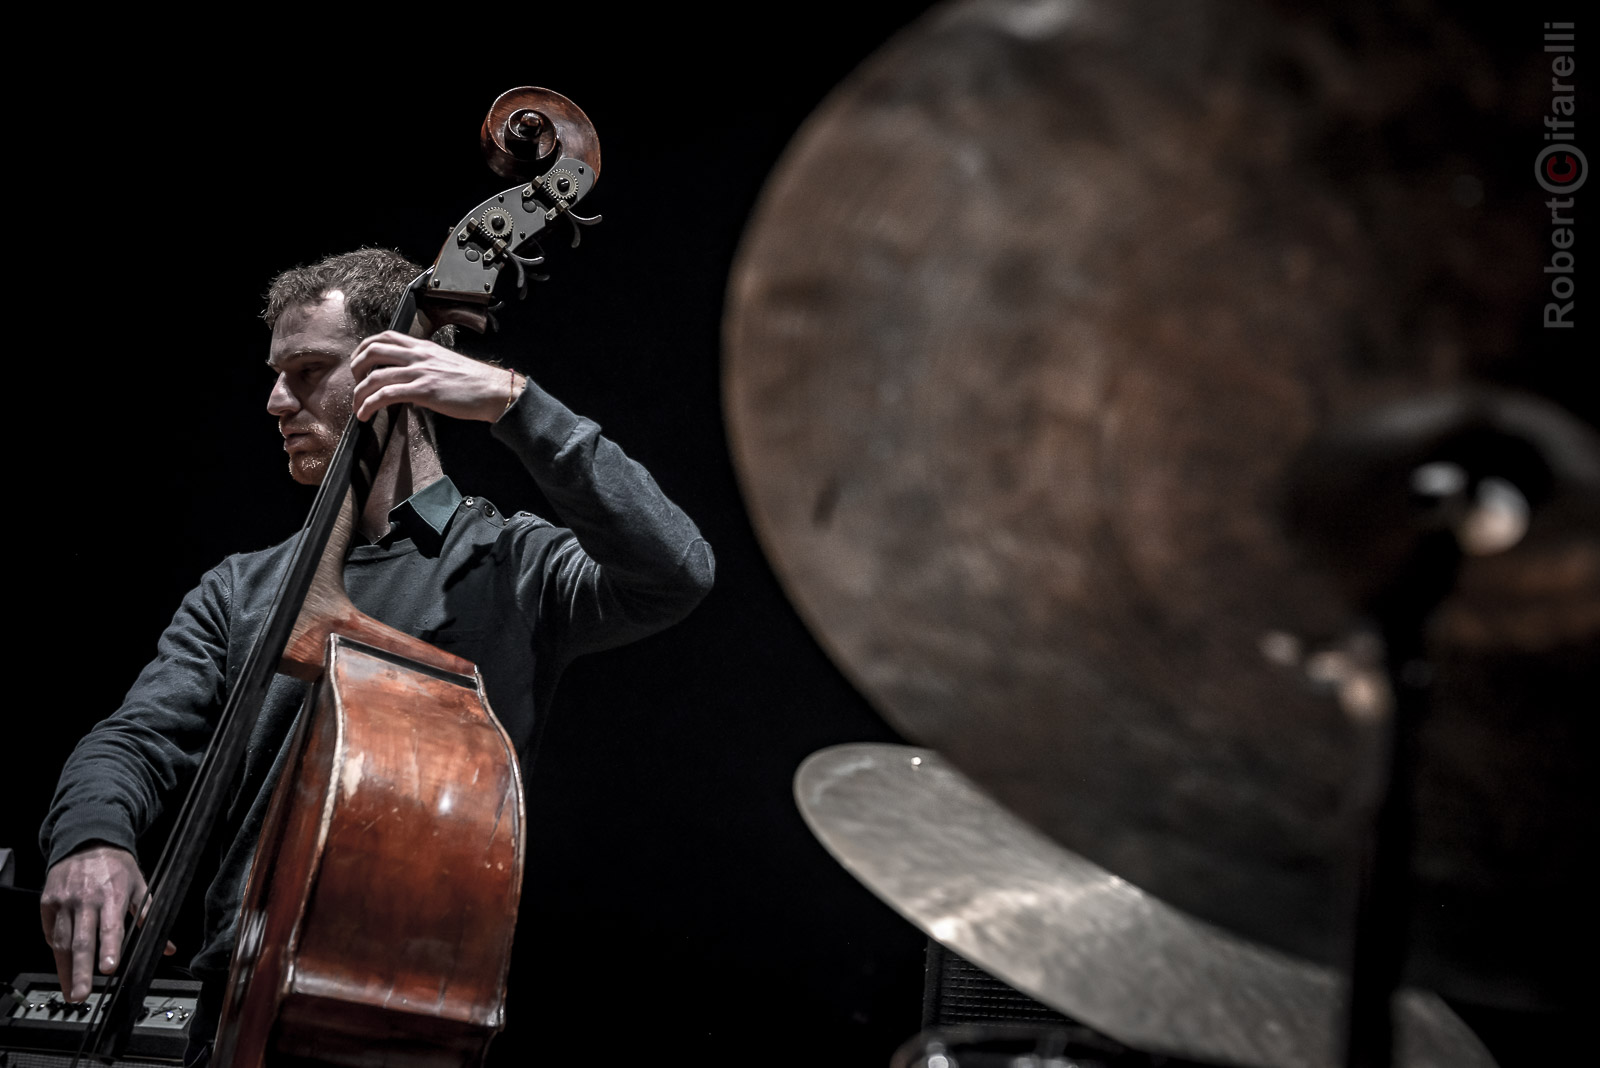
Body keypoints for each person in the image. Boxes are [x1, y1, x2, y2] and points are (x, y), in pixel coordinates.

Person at [36, 248, 715, 1049]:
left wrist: (515, 402)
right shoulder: (242, 589)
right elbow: (135, 739)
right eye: (275, 373)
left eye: (308, 370)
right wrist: (91, 837)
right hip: (235, 1001)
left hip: (408, 1003)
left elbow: (675, 570)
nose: (274, 400)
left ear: (401, 371)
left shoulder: (510, 564)